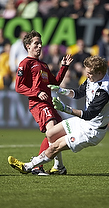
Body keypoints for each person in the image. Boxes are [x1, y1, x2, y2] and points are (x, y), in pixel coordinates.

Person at [8, 55, 109, 175]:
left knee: (55, 146)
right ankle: (59, 167)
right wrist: (60, 90)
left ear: (100, 73)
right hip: (83, 123)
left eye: (90, 73)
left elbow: (89, 114)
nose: (87, 75)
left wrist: (65, 109)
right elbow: (79, 93)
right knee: (51, 133)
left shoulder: (104, 91)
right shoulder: (93, 78)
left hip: (92, 131)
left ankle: (28, 167)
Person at [11, 30, 73, 176]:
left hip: (49, 104)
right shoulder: (25, 63)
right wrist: (37, 92)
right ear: (28, 46)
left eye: (40, 44)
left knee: (58, 133)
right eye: (36, 44)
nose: (39, 46)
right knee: (51, 131)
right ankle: (37, 167)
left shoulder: (43, 65)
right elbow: (19, 87)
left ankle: (59, 167)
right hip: (38, 104)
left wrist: (63, 67)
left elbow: (55, 82)